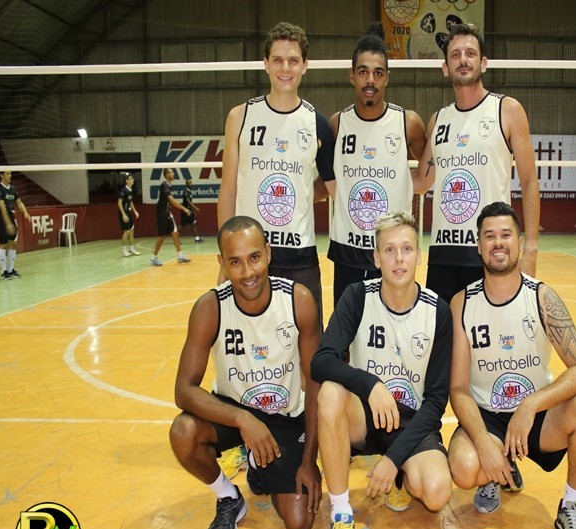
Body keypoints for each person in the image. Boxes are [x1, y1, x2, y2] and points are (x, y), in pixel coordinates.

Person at [447, 202, 576, 529]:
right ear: (479, 245)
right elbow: (457, 389)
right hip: (488, 416)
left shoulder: (541, 298)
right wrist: (483, 442)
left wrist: (531, 405)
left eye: (506, 235)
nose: (498, 243)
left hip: (537, 418)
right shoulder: (462, 304)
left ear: (519, 243)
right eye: (490, 236)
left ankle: (572, 507)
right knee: (464, 468)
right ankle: (496, 474)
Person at [311, 211, 453, 529]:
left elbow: (437, 399)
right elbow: (321, 361)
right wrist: (370, 384)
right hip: (365, 415)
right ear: (376, 258)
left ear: (419, 255)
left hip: (410, 422)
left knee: (437, 492)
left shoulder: (438, 311)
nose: (399, 258)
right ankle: (341, 516)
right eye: (389, 250)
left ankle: (400, 472)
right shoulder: (358, 297)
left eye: (407, 249)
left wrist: (393, 459)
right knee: (330, 393)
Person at [169, 215, 322, 529]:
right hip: (232, 413)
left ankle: (259, 462)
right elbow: (184, 390)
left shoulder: (298, 301)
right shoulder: (210, 308)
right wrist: (243, 420)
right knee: (183, 432)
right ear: (222, 263)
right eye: (235, 262)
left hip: (284, 418)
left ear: (268, 252)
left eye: (254, 257)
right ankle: (228, 497)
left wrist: (309, 459)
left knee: (299, 522)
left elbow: (315, 384)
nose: (247, 272)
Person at [218, 21, 336, 328]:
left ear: (305, 65)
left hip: (300, 256)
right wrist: (226, 256)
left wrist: (301, 196)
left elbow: (332, 187)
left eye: (293, 60)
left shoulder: (318, 124)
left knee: (308, 347)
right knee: (250, 343)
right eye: (278, 60)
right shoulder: (240, 117)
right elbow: (228, 190)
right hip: (249, 258)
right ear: (266, 64)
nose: (286, 68)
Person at [412, 22, 540, 302]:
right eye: (455, 55)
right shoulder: (438, 120)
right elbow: (421, 181)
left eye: (470, 53)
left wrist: (530, 247)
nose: (463, 60)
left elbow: (530, 182)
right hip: (444, 252)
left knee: (490, 329)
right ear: (445, 67)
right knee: (444, 330)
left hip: (490, 252)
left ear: (483, 63)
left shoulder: (507, 110)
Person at [327, 23, 426, 308]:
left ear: (387, 78)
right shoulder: (337, 124)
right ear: (352, 75)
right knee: (348, 329)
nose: (370, 80)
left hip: (392, 252)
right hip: (348, 250)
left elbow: (428, 175)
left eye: (378, 73)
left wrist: (405, 183)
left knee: (395, 324)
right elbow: (328, 179)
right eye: (363, 72)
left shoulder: (407, 122)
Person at [150, 168, 192, 266]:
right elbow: (172, 200)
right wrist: (184, 209)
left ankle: (180, 255)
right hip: (162, 214)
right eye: (171, 172)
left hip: (167, 213)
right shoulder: (164, 185)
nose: (173, 173)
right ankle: (154, 257)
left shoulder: (169, 185)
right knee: (162, 236)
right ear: (166, 174)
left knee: (175, 233)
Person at [0, 170, 30, 279]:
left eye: (10, 173)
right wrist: (8, 223)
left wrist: (25, 212)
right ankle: (3, 272)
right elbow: (2, 208)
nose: (10, 175)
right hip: (1, 219)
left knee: (13, 244)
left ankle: (10, 270)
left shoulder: (13, 188)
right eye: (7, 173)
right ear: (1, 175)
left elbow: (19, 202)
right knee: (3, 245)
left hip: (11, 217)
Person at [117, 174, 141, 257]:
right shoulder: (123, 190)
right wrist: (123, 214)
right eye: (130, 178)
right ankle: (124, 250)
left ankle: (131, 249)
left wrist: (135, 211)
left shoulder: (131, 190)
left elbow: (130, 202)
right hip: (123, 213)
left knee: (131, 231)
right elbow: (119, 202)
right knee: (126, 231)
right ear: (126, 181)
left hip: (129, 212)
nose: (132, 180)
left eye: (132, 178)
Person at [180, 178, 202, 243]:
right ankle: (176, 238)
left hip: (190, 211)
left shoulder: (189, 191)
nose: (191, 184)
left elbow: (190, 202)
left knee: (194, 224)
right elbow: (188, 201)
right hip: (185, 211)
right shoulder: (185, 192)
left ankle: (197, 239)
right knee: (182, 225)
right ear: (186, 184)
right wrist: (195, 208)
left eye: (191, 182)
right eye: (189, 183)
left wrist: (193, 211)